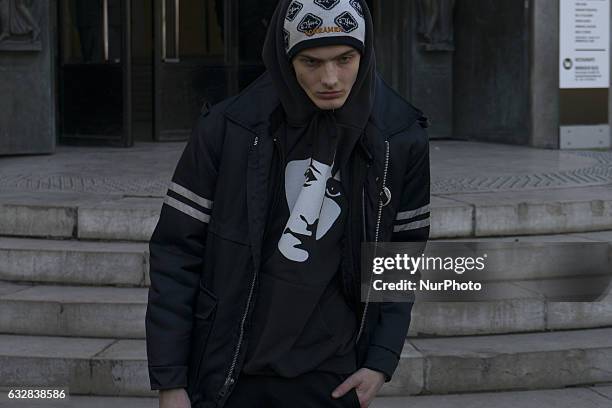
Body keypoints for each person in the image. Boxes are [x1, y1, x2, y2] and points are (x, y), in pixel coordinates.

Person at [145, 1, 430, 407]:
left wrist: (381, 359)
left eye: (345, 59)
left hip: (334, 376)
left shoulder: (400, 137)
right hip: (230, 372)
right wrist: (171, 381)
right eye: (311, 61)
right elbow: (176, 253)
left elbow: (404, 250)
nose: (330, 78)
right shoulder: (228, 129)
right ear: (285, 57)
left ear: (364, 54)